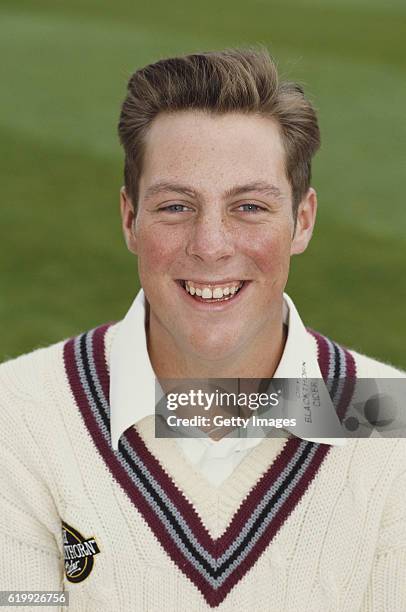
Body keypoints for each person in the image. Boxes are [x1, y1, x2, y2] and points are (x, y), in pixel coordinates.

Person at [0, 47, 405, 612]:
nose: (211, 246)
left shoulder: (391, 419)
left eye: (249, 207)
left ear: (302, 220)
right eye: (175, 207)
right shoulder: (17, 412)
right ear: (129, 219)